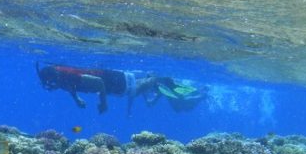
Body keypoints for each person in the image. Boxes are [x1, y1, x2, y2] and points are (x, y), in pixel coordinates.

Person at [36, 63, 205, 115]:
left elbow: (98, 83)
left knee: (136, 91)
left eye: (50, 82)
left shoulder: (69, 77)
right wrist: (77, 98)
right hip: (114, 81)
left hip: (115, 81)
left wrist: (103, 103)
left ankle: (156, 78)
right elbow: (69, 87)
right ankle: (156, 85)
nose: (51, 86)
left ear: (54, 76)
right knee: (140, 96)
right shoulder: (63, 80)